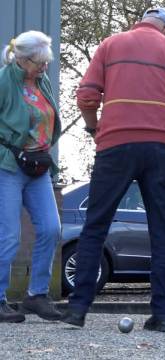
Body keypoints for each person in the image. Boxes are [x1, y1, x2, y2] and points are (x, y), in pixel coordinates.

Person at [59, 7, 165, 332]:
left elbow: (86, 96)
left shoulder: (110, 45)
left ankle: (77, 309)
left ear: (139, 22)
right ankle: (164, 315)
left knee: (95, 226)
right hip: (162, 148)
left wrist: (94, 128)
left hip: (114, 145)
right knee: (163, 232)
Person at [0, 31, 62, 322]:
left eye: (46, 62)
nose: (44, 67)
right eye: (39, 62)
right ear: (23, 60)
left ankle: (36, 295)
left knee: (51, 228)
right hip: (8, 167)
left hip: (37, 167)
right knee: (9, 236)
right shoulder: (4, 80)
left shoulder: (42, 81)